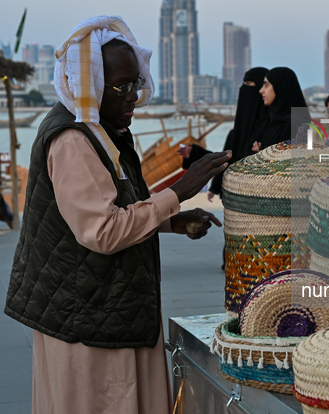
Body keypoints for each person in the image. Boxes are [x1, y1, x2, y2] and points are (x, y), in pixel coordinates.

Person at [3, 16, 231, 414]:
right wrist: (179, 191)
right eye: (121, 86)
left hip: (106, 309)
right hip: (88, 322)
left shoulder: (103, 130)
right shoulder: (73, 139)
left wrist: (167, 221)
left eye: (135, 83)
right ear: (89, 84)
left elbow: (110, 209)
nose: (132, 96)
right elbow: (102, 230)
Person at [177, 67, 269, 201]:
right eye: (244, 84)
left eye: (250, 85)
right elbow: (231, 161)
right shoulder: (236, 133)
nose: (245, 89)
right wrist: (196, 154)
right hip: (239, 204)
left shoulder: (273, 128)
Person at [253, 66, 310, 152]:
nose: (261, 90)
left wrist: (261, 155)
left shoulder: (295, 127)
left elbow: (286, 162)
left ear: (279, 87)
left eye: (266, 85)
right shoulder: (271, 120)